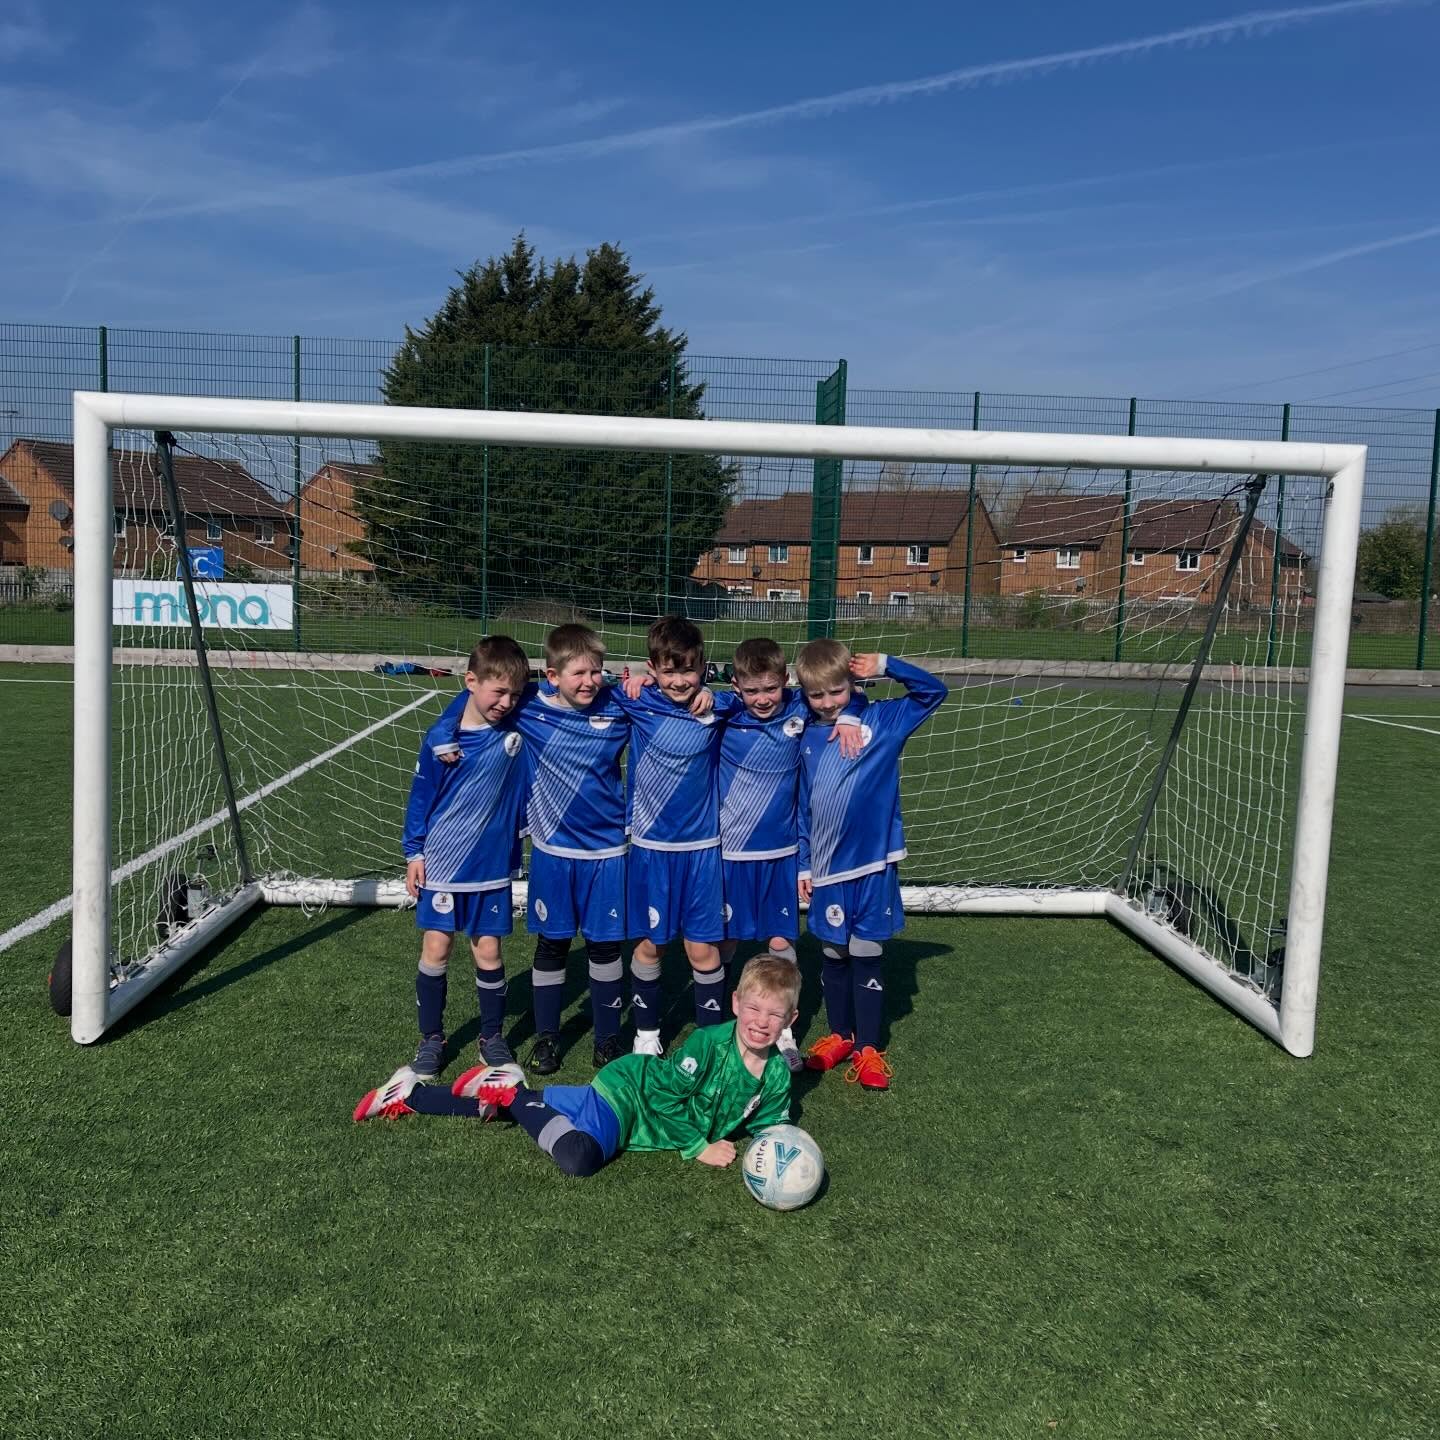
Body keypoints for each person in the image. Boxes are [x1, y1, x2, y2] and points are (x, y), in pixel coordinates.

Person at [354, 953, 800, 1181]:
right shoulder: (708, 1043)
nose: (761, 1023)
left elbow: (771, 1123)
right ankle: (513, 1089)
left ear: (789, 1021)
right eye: (754, 1009)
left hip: (630, 1112)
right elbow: (664, 1098)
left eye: (774, 1015)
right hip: (630, 1095)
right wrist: (698, 1146)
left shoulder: (777, 1073)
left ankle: (410, 1094)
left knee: (505, 1114)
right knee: (579, 1158)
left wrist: (784, 1155)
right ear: (736, 1003)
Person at [794, 642, 947, 1090]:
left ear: (853, 684)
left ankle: (869, 1049)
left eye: (837, 692)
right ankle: (840, 1036)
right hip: (826, 868)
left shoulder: (884, 721)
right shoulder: (804, 735)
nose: (827, 702)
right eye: (817, 696)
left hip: (874, 865)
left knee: (866, 953)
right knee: (833, 951)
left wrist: (886, 665)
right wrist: (804, 864)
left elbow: (933, 692)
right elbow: (804, 807)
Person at [717, 637, 863, 1072]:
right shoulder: (724, 713)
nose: (762, 699)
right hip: (730, 855)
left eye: (770, 688)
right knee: (725, 942)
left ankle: (782, 1033)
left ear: (786, 680)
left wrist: (853, 712)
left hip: (782, 856)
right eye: (752, 690)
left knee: (781, 941)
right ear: (737, 686)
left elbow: (845, 692)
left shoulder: (801, 710)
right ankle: (730, 1031)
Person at [610, 615, 743, 1055]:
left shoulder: (718, 706)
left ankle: (709, 1040)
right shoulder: (638, 701)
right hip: (651, 850)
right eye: (669, 671)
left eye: (689, 670)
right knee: (652, 945)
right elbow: (573, 691)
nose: (680, 680)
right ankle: (647, 1033)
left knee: (702, 951)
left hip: (703, 850)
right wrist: (633, 681)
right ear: (654, 668)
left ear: (703, 668)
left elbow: (769, 699)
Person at [402, 635, 530, 1081]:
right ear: (470, 681)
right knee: (436, 948)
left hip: (492, 865)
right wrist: (413, 853)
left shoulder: (519, 727)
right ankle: (431, 1039)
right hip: (441, 861)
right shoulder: (442, 741)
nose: (507, 702)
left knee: (489, 952)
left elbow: (558, 689)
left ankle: (492, 1036)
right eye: (498, 692)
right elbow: (421, 799)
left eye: (515, 693)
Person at [511, 623, 633, 1073]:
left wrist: (636, 683)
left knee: (604, 949)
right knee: (553, 944)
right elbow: (472, 703)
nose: (589, 681)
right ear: (552, 674)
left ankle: (607, 1039)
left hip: (606, 852)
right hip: (553, 852)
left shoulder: (619, 705)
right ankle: (547, 1037)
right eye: (579, 672)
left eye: (597, 671)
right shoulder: (528, 708)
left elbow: (667, 698)